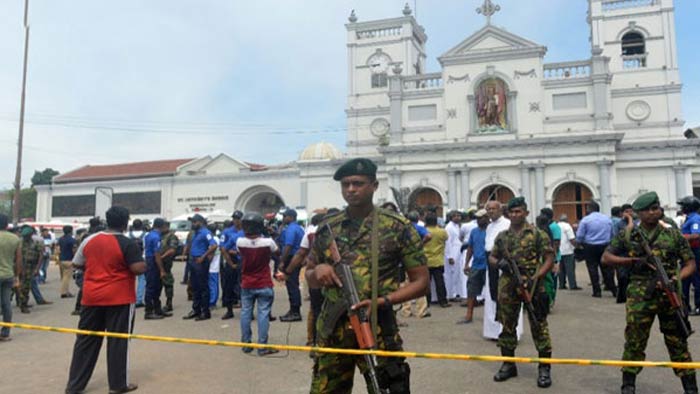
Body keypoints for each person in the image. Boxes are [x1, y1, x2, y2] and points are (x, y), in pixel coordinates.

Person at [306, 158, 429, 394]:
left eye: (358, 183)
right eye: (346, 184)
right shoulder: (328, 228)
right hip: (333, 331)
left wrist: (382, 301)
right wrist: (318, 271)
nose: (351, 189)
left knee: (385, 387)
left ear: (374, 185)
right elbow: (310, 273)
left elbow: (421, 283)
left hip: (377, 327)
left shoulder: (397, 227)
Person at [602, 192, 698, 394]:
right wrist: (631, 262)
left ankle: (690, 386)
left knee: (677, 340)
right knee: (635, 340)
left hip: (669, 294)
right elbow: (607, 257)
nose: (655, 212)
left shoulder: (672, 234)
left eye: (657, 208)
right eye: (649, 209)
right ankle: (628, 383)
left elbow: (690, 263)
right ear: (639, 213)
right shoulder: (629, 235)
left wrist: (676, 279)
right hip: (640, 295)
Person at [65, 206, 146, 394]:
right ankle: (117, 385)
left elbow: (76, 263)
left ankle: (75, 385)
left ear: (106, 221)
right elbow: (138, 268)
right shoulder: (127, 243)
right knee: (118, 341)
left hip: (92, 297)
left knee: (85, 340)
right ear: (125, 222)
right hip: (119, 297)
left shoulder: (89, 240)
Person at [489, 197, 554, 388]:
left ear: (526, 212)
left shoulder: (537, 234)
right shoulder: (502, 236)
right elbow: (492, 257)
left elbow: (549, 258)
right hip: (508, 285)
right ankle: (508, 364)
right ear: (507, 214)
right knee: (507, 324)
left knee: (538, 324)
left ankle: (544, 368)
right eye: (512, 212)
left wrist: (536, 277)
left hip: (533, 285)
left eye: (519, 211)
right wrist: (499, 263)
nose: (515, 215)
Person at [236, 212, 281, 356]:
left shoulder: (240, 242)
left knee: (245, 313)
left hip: (247, 283)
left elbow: (239, 253)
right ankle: (262, 346)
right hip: (263, 282)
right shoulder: (268, 242)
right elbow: (277, 252)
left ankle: (246, 344)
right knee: (263, 314)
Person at [483, 200, 513, 340]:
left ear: (500, 210)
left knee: (504, 296)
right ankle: (493, 331)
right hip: (490, 262)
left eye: (493, 209)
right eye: (488, 209)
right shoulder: (489, 226)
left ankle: (507, 331)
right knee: (492, 295)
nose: (490, 211)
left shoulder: (507, 224)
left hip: (503, 263)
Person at [576, 200, 616, 298]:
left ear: (589, 209)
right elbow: (612, 234)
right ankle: (613, 289)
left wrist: (579, 244)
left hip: (590, 246)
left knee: (592, 268)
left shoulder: (585, 220)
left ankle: (597, 291)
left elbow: (580, 235)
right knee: (607, 268)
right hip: (605, 245)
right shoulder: (607, 219)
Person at [182, 214, 217, 321]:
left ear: (200, 222)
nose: (193, 224)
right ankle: (196, 310)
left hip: (200, 262)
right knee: (195, 287)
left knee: (203, 288)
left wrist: (203, 256)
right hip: (193, 261)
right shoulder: (195, 233)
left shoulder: (206, 232)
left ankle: (205, 311)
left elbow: (214, 245)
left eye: (194, 222)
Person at [459, 209, 489, 324]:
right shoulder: (474, 232)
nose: (479, 220)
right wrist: (467, 263)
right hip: (476, 265)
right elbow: (470, 248)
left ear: (486, 218)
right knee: (471, 290)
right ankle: (469, 315)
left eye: (481, 218)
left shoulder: (491, 231)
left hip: (489, 266)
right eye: (477, 218)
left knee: (491, 292)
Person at [400, 211, 432, 318]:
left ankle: (406, 310)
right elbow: (428, 236)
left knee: (406, 284)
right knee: (419, 283)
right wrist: (420, 244)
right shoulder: (418, 228)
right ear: (418, 218)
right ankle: (421, 311)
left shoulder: (403, 228)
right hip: (417, 258)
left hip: (404, 258)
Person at [277, 208, 305, 322]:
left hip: (291, 258)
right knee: (293, 284)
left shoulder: (291, 229)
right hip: (297, 257)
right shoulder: (299, 228)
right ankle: (294, 309)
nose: (283, 218)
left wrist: (282, 261)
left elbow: (288, 246)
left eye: (285, 216)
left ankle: (295, 311)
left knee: (292, 284)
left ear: (291, 217)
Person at [18, 225, 52, 313]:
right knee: (16, 287)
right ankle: (19, 302)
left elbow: (40, 255)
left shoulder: (35, 243)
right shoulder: (19, 243)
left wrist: (37, 268)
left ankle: (23, 304)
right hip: (20, 266)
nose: (25, 237)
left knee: (26, 287)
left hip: (30, 267)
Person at [143, 218, 171, 320]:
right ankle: (149, 311)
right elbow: (157, 254)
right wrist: (162, 270)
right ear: (162, 226)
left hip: (149, 260)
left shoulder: (149, 235)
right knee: (152, 287)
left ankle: (157, 309)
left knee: (157, 286)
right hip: (153, 262)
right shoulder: (156, 237)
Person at [678, 196, 700, 316]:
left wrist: (679, 238)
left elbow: (696, 235)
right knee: (685, 280)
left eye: (683, 205)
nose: (682, 208)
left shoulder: (695, 219)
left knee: (696, 280)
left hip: (695, 252)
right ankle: (685, 306)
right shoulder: (689, 218)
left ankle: (698, 306)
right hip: (688, 252)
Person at [0, 214, 21, 341]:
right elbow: (18, 260)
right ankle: (5, 333)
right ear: (7, 225)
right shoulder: (15, 238)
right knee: (6, 304)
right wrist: (17, 276)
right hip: (8, 275)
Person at [220, 211, 244, 320]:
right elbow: (222, 247)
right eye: (234, 218)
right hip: (231, 260)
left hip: (243, 260)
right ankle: (229, 310)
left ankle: (246, 310)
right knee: (228, 285)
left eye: (238, 218)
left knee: (244, 286)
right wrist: (231, 259)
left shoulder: (246, 231)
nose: (236, 220)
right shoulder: (227, 232)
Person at [423, 213, 450, 309]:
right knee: (440, 282)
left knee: (426, 283)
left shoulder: (424, 231)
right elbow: (446, 239)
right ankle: (443, 301)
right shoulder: (442, 232)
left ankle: (427, 302)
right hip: (438, 260)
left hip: (426, 260)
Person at [444, 210, 466, 302]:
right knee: (451, 274)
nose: (458, 218)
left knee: (457, 274)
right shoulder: (448, 227)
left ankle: (457, 293)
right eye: (455, 216)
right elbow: (447, 242)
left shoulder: (457, 226)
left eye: (459, 216)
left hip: (458, 252)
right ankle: (451, 295)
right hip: (452, 252)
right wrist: (449, 256)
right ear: (451, 217)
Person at [159, 221, 179, 312]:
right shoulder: (159, 235)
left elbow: (172, 250)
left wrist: (162, 257)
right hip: (158, 261)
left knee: (168, 282)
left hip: (166, 262)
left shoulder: (171, 236)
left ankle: (169, 303)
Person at [557, 214, 580, 290]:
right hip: (568, 250)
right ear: (566, 220)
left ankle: (562, 284)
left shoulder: (557, 225)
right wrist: (577, 246)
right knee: (570, 269)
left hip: (559, 251)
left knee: (561, 269)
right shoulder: (567, 226)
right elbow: (571, 238)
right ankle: (572, 285)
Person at [128, 219, 147, 308]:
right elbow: (146, 247)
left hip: (129, 259)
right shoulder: (145, 235)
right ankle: (139, 299)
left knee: (128, 279)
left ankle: (128, 298)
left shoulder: (128, 235)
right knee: (142, 280)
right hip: (141, 258)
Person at [58, 225, 76, 298]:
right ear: (71, 231)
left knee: (64, 276)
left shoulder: (60, 239)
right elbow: (74, 250)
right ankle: (64, 292)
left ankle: (66, 291)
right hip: (69, 259)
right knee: (67, 277)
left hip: (61, 259)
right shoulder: (72, 240)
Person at [207, 224, 221, 309]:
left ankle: (212, 302)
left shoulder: (213, 240)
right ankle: (213, 300)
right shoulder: (217, 239)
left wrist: (207, 262)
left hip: (212, 266)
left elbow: (211, 253)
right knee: (214, 284)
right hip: (215, 265)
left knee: (212, 285)